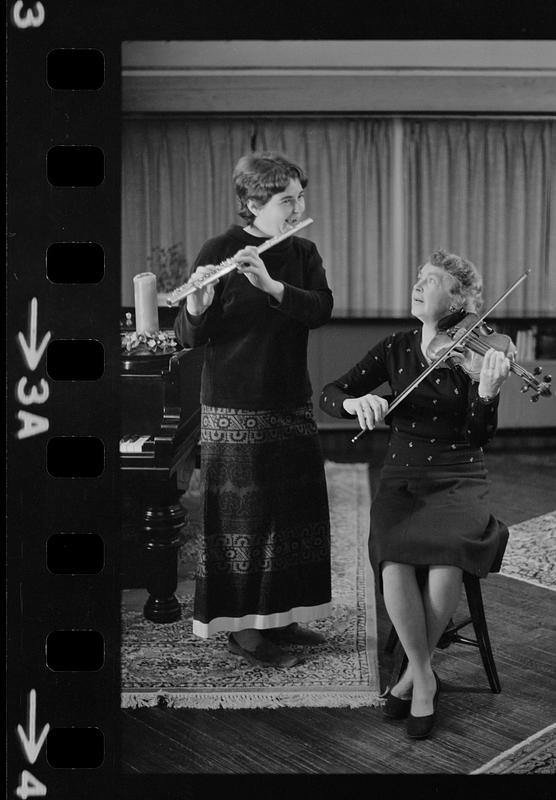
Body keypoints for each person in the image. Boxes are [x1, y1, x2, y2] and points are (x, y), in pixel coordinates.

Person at [320, 249, 511, 738]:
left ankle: (412, 675)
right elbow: (329, 392)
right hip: (402, 477)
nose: (420, 284)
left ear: (460, 299)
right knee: (394, 557)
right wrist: (353, 401)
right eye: (420, 277)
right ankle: (423, 675)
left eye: (433, 280)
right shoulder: (396, 347)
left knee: (448, 559)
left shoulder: (476, 355)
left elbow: (479, 435)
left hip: (459, 475)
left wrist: (486, 394)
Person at [175, 151, 333, 668]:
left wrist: (272, 286)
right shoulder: (219, 250)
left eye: (298, 198)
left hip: (289, 400)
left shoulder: (303, 252)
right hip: (233, 406)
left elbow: (319, 309)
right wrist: (196, 308)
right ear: (252, 202)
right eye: (288, 200)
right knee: (241, 524)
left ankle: (281, 617)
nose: (298, 207)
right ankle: (243, 631)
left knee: (290, 518)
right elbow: (189, 335)